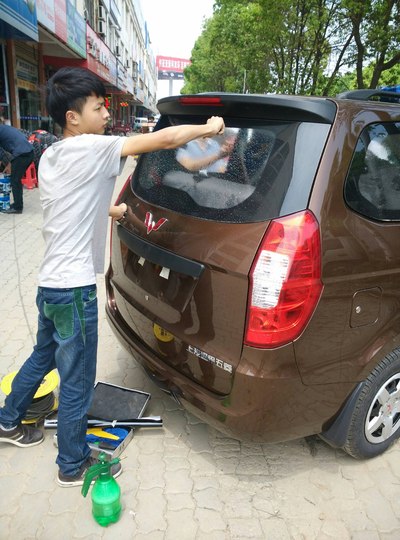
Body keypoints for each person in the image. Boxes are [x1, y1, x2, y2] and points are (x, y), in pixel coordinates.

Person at [0, 66, 224, 487]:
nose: (106, 115)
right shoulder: (92, 146)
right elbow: (165, 140)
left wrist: (113, 210)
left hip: (50, 286)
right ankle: (72, 464)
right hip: (74, 289)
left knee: (43, 356)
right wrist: (208, 128)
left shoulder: (52, 155)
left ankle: (8, 420)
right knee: (77, 380)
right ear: (73, 117)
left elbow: (70, 201)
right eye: (98, 108)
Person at [0, 124, 35, 214]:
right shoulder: (4, 128)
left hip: (22, 154)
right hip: (28, 152)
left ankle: (18, 207)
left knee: (15, 180)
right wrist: (9, 164)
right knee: (16, 178)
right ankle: (17, 204)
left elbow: (1, 153)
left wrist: (7, 163)